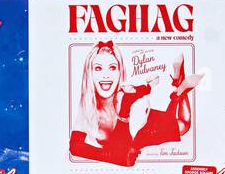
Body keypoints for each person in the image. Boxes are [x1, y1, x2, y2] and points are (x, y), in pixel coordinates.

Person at [68, 41, 196, 167]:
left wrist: (144, 89)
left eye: (112, 67)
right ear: (89, 73)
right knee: (176, 123)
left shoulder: (127, 95)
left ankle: (179, 87)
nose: (106, 75)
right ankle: (178, 87)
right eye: (98, 68)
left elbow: (124, 147)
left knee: (183, 125)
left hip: (142, 127)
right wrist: (114, 157)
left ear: (119, 72)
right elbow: (74, 147)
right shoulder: (86, 106)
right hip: (132, 130)